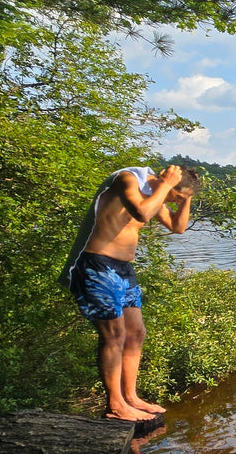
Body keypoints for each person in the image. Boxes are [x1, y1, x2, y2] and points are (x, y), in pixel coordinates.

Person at [61, 165, 200, 422]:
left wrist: (187, 196)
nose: (172, 200)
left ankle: (131, 397)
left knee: (136, 332)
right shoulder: (128, 180)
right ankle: (115, 405)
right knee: (114, 335)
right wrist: (168, 185)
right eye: (174, 197)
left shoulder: (155, 194)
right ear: (162, 179)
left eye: (178, 199)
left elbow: (177, 227)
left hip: (123, 268)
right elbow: (141, 212)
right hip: (95, 264)